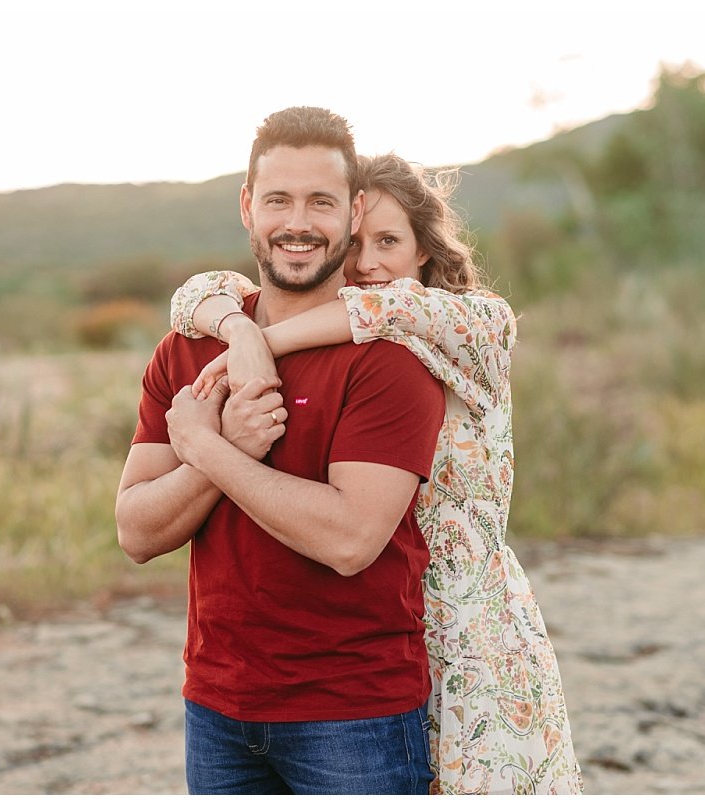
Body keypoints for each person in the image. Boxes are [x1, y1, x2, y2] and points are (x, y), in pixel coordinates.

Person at [168, 153, 584, 794]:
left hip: (464, 627)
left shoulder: (470, 322)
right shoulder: (343, 331)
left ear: (425, 251)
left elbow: (379, 312)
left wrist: (256, 342)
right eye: (355, 243)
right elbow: (193, 293)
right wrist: (233, 323)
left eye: (389, 242)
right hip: (379, 620)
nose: (365, 264)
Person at [115, 108, 445, 795]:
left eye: (320, 201)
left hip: (355, 717)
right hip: (216, 707)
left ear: (354, 213)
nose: (298, 222)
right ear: (247, 206)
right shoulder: (188, 349)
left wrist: (210, 449)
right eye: (278, 199)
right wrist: (227, 442)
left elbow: (351, 538)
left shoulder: (388, 360)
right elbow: (136, 528)